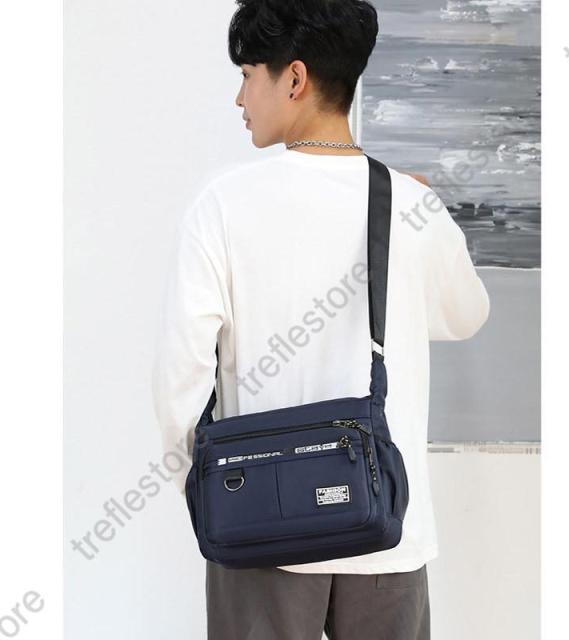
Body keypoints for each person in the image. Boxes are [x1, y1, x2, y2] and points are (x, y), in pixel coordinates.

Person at [152, 1, 490, 638]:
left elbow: (180, 376)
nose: (239, 98)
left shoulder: (223, 205)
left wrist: (205, 488)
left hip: (260, 529)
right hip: (387, 531)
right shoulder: (408, 203)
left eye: (247, 74)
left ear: (295, 78)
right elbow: (466, 315)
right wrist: (430, 211)